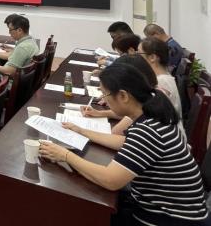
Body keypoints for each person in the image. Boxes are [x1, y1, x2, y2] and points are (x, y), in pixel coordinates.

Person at [39, 62, 208, 225]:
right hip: (169, 209)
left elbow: (110, 180)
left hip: (168, 218)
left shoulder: (148, 130)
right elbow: (124, 142)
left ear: (123, 96)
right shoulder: (152, 113)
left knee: (77, 213)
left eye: (105, 94)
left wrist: (65, 155)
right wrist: (82, 131)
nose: (104, 100)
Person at [82, 54, 159, 135]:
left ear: (123, 95)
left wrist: (80, 130)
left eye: (105, 93)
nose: (104, 98)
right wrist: (100, 113)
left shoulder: (144, 127)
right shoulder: (148, 101)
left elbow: (116, 132)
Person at [138, 37, 183, 120]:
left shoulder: (161, 81)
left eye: (139, 54)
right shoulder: (162, 76)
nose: (137, 57)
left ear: (152, 57)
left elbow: (147, 114)